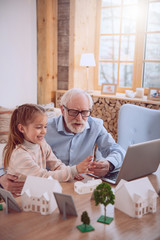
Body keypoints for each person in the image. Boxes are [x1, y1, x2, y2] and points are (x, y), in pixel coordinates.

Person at [0, 88, 125, 193]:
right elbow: (11, 159)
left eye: (85, 112)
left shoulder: (95, 126)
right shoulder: (41, 130)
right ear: (62, 109)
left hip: (80, 185)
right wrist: (1, 177)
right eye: (73, 112)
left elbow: (117, 150)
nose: (79, 118)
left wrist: (109, 164)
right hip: (48, 188)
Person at [1, 104, 94, 194]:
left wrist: (72, 173)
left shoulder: (42, 143)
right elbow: (44, 177)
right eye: (38, 127)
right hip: (19, 199)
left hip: (37, 193)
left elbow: (56, 164)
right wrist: (73, 170)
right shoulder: (20, 155)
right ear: (22, 128)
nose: (44, 131)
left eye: (45, 126)